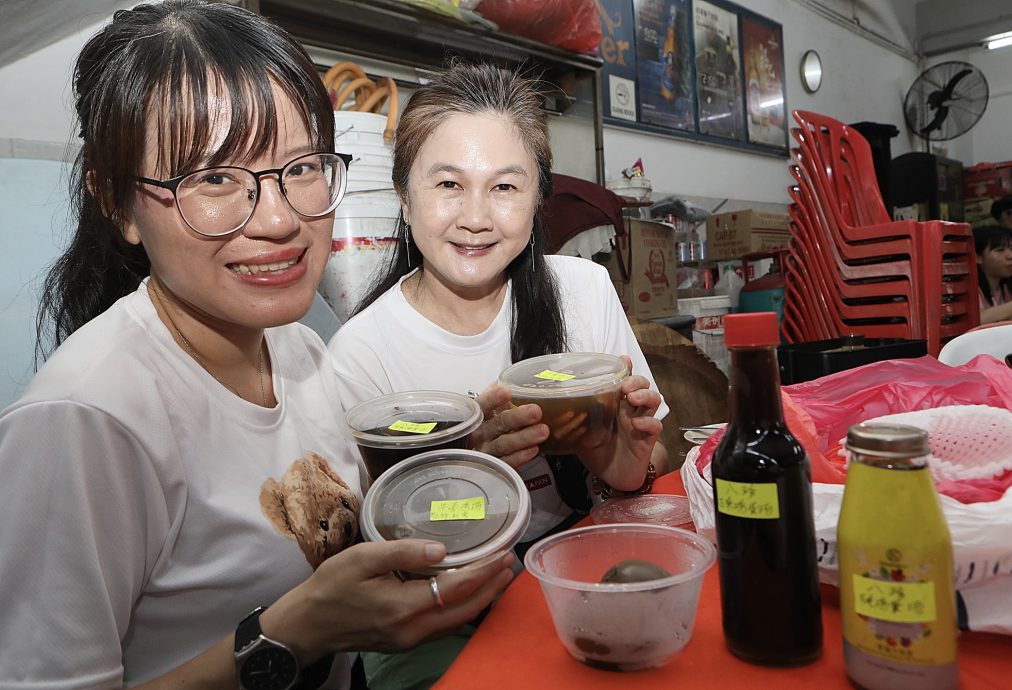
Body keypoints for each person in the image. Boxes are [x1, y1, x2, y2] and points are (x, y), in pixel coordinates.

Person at [0, 2, 513, 688]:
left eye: (301, 167)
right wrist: (288, 635)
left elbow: (347, 532)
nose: (280, 219)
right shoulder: (85, 420)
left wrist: (450, 469)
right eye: (214, 179)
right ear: (117, 202)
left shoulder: (298, 351)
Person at [327, 62, 669, 689]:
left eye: (506, 187)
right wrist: (460, 476)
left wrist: (619, 464)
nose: (477, 216)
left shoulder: (584, 291)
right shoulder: (361, 353)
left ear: (539, 199)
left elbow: (645, 465)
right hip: (438, 609)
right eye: (449, 184)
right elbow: (364, 558)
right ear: (404, 196)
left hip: (575, 565)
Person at [974, 224, 1012, 324]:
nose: (1011, 256)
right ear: (978, 257)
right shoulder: (970, 290)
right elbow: (978, 320)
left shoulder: (1010, 287)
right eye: (1000, 250)